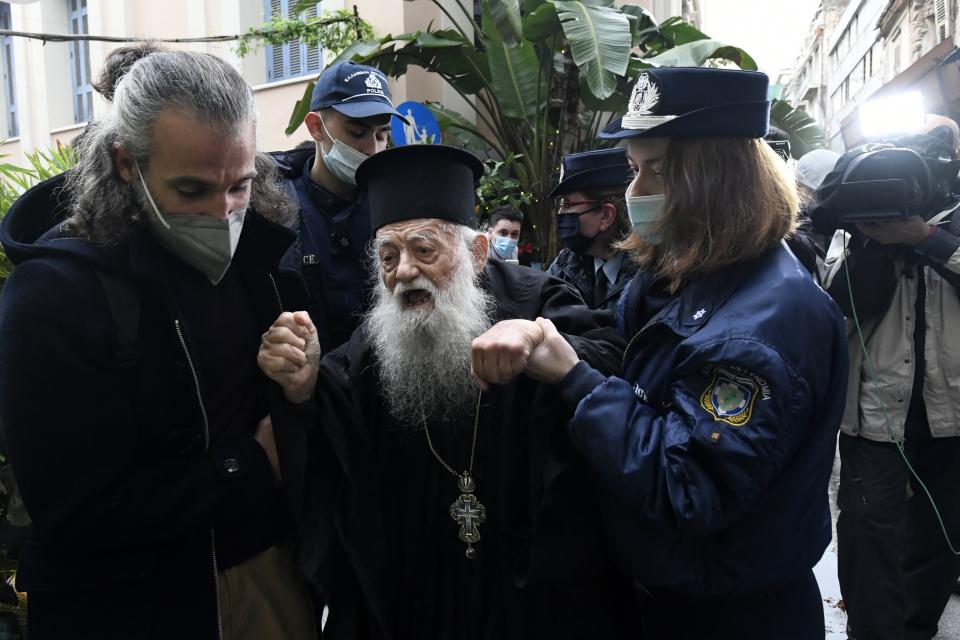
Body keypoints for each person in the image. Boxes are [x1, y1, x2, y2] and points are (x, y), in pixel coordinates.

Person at [510, 67, 849, 639]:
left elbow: (687, 488)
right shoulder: (683, 274)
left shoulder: (762, 327)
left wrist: (574, 378)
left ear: (715, 179)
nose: (635, 191)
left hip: (730, 614)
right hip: (665, 596)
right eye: (635, 170)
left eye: (657, 170)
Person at [257, 144, 636, 640]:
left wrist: (543, 342)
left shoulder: (536, 298)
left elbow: (613, 356)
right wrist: (302, 388)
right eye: (388, 257)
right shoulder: (374, 339)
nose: (405, 272)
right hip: (418, 583)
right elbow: (333, 425)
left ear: (476, 253)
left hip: (520, 581)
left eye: (424, 250)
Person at [0, 51, 316, 639]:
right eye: (192, 189)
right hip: (128, 607)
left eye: (239, 186)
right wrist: (246, 465)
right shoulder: (52, 294)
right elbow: (74, 511)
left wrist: (302, 382)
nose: (221, 213)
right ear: (126, 164)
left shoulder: (262, 259)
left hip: (265, 575)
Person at [813, 113, 960, 640]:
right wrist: (873, 239)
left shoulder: (952, 218)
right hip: (873, 412)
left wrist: (925, 237)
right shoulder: (854, 218)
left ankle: (916, 626)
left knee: (941, 533)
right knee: (867, 530)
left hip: (952, 413)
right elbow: (832, 303)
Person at [272, 61, 408, 353]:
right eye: (357, 132)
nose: (372, 148)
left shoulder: (397, 211)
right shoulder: (273, 209)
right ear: (316, 127)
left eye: (382, 134)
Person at [547, 147, 637, 311]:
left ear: (606, 216)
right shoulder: (565, 265)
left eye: (567, 204)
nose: (561, 214)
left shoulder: (648, 276)